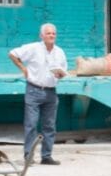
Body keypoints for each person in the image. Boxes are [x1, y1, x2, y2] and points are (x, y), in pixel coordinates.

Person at [9, 23, 68, 165]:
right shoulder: (33, 48)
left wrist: (60, 75)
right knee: (31, 124)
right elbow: (13, 53)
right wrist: (23, 68)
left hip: (51, 92)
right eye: (48, 33)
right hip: (33, 90)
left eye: (54, 33)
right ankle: (28, 156)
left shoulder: (59, 52)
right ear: (42, 36)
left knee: (49, 125)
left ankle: (46, 156)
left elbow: (64, 69)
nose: (52, 35)